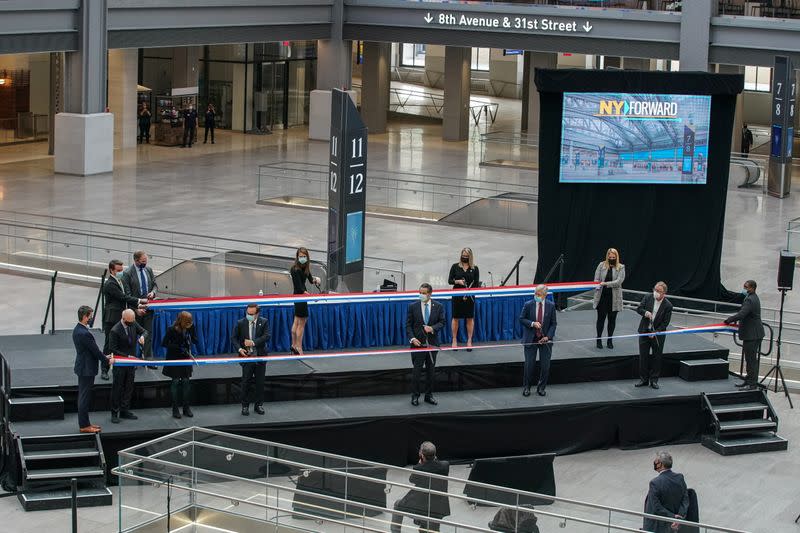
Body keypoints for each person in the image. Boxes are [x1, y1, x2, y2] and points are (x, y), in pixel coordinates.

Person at [390, 441, 450, 533]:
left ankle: (395, 531)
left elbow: (412, 479)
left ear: (421, 455)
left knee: (398, 505)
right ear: (435, 454)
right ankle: (425, 527)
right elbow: (436, 464)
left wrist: (420, 464)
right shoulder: (445, 465)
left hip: (422, 505)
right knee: (433, 525)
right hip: (439, 505)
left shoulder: (419, 468)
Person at [102, 259, 147, 380]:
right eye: (118, 270)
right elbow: (123, 297)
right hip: (112, 318)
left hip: (123, 315)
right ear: (111, 270)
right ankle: (104, 369)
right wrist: (138, 301)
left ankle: (128, 362)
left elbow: (126, 297)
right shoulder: (110, 284)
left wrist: (136, 308)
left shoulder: (120, 280)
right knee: (108, 344)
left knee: (127, 340)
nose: (121, 272)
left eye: (122, 270)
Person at [72, 305, 111, 434]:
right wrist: (107, 360)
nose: (92, 318)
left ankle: (86, 423)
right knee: (84, 397)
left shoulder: (77, 329)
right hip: (86, 368)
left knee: (83, 396)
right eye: (90, 316)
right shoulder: (84, 333)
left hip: (83, 367)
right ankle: (84, 425)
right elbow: (95, 351)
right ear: (85, 317)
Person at [406, 283, 445, 406]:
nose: (421, 295)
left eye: (424, 293)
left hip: (432, 344)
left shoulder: (439, 306)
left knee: (431, 372)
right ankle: (415, 396)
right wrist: (412, 338)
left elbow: (442, 322)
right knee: (417, 372)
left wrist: (432, 328)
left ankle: (429, 395)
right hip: (418, 344)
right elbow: (408, 325)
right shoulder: (412, 306)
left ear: (430, 294)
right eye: (420, 293)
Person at [724, 280, 765, 390]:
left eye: (746, 287)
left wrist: (729, 320)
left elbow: (742, 314)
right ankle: (749, 380)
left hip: (752, 335)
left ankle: (752, 384)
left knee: (751, 360)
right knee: (750, 359)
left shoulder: (749, 300)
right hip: (755, 334)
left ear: (752, 288)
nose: (744, 289)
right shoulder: (754, 297)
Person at [108, 309, 147, 424]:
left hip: (131, 362)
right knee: (117, 388)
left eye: (133, 321)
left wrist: (143, 337)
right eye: (129, 321)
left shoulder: (133, 322)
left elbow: (144, 331)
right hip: (120, 363)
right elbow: (112, 349)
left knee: (129, 387)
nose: (132, 323)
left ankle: (125, 410)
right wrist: (127, 356)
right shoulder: (115, 331)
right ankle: (114, 412)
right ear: (124, 319)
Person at [232, 304, 270, 416]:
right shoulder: (240, 323)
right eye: (247, 313)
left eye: (251, 314)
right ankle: (245, 406)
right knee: (245, 383)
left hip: (260, 357)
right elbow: (233, 338)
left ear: (257, 314)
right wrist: (239, 349)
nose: (248, 315)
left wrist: (253, 342)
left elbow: (267, 336)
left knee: (260, 382)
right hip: (246, 358)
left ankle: (258, 405)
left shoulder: (264, 322)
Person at [519, 284, 557, 397]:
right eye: (535, 293)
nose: (536, 296)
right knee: (529, 365)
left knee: (545, 366)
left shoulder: (551, 306)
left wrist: (548, 337)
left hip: (545, 340)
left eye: (539, 294)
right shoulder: (528, 304)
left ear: (545, 295)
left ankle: (541, 388)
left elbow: (553, 324)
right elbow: (521, 319)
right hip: (531, 339)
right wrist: (532, 324)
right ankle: (527, 387)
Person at [635, 282, 673, 389]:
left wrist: (655, 332)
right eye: (655, 290)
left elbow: (665, 323)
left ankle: (654, 380)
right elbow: (639, 309)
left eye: (658, 291)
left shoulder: (668, 306)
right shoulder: (648, 297)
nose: (655, 292)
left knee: (657, 357)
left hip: (658, 335)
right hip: (644, 331)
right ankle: (643, 379)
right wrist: (645, 313)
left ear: (664, 293)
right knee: (643, 357)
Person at [122, 251, 157, 365]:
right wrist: (136, 309)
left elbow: (155, 285)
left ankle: (148, 359)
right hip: (134, 310)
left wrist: (153, 292)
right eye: (143, 261)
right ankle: (134, 360)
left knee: (148, 334)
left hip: (148, 308)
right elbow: (127, 295)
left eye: (146, 261)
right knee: (133, 336)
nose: (145, 263)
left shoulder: (149, 270)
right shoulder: (127, 273)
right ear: (136, 261)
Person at [643, 451, 689, 533]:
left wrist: (673, 517)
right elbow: (685, 499)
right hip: (677, 526)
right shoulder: (680, 478)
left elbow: (656, 507)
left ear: (661, 464)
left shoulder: (655, 483)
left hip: (660, 526)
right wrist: (679, 517)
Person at [162, 311, 197, 419]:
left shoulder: (190, 327)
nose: (190, 324)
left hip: (185, 357)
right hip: (174, 358)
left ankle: (186, 407)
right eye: (187, 322)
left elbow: (195, 339)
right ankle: (175, 408)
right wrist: (178, 347)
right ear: (182, 321)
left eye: (190, 322)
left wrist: (191, 338)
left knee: (186, 381)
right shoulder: (171, 329)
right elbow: (164, 343)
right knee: (176, 381)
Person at [593, 248, 625, 350]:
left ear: (616, 257)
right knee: (600, 319)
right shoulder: (601, 265)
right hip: (602, 297)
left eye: (613, 257)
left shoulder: (621, 267)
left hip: (614, 298)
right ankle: (598, 339)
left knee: (612, 320)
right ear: (607, 256)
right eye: (610, 257)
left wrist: (605, 284)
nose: (611, 258)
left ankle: (609, 340)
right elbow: (596, 279)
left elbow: (619, 282)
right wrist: (597, 283)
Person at [290, 247, 320, 355]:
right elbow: (300, 288)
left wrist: (316, 280)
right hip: (299, 297)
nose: (302, 258)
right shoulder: (295, 269)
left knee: (297, 321)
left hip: (302, 297)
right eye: (300, 256)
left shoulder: (305, 268)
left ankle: (293, 346)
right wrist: (311, 296)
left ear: (307, 257)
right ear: (297, 257)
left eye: (304, 256)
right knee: (300, 323)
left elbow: (311, 280)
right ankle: (298, 347)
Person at [448, 247, 480, 351]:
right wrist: (457, 281)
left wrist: (471, 289)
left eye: (466, 256)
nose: (464, 257)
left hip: (469, 296)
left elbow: (476, 283)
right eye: (463, 255)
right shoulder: (455, 266)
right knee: (456, 317)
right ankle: (454, 340)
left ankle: (469, 340)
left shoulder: (475, 268)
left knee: (470, 318)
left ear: (470, 257)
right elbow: (449, 280)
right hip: (457, 295)